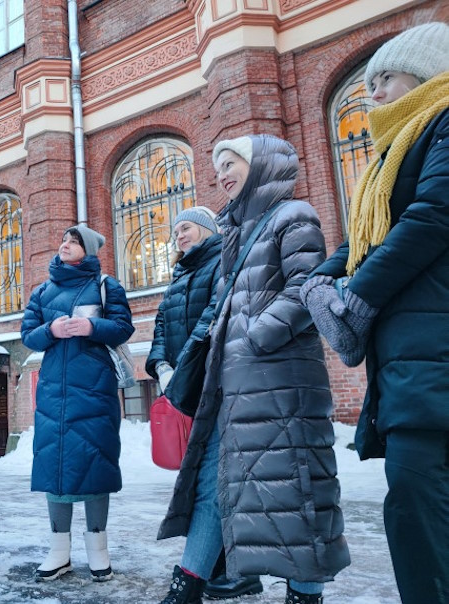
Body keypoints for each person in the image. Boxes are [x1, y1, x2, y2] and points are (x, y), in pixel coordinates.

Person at [156, 135, 350, 604]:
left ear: (262, 163)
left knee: (297, 491)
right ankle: (185, 588)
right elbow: (222, 309)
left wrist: (256, 335)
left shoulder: (293, 215)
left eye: (231, 162)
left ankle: (304, 596)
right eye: (217, 165)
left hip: (281, 383)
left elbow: (308, 284)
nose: (222, 173)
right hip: (232, 387)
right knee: (213, 486)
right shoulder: (236, 234)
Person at [300, 22, 449, 604]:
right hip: (411, 355)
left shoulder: (441, 123)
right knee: (415, 502)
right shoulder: (393, 153)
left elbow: (433, 217)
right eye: (369, 83)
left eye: (384, 77)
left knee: (416, 498)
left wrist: (357, 293)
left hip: (432, 343)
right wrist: (322, 277)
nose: (374, 92)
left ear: (426, 68)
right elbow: (370, 236)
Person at [145, 207, 264, 600]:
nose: (179, 235)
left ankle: (239, 568)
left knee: (223, 480)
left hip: (216, 383)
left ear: (208, 230)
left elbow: (215, 317)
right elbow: (161, 324)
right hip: (188, 388)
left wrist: (184, 366)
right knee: (203, 480)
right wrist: (160, 364)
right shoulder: (179, 274)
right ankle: (218, 566)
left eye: (187, 228)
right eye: (175, 230)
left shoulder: (221, 261)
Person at [21, 224, 134, 583]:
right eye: (64, 240)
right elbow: (28, 336)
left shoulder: (106, 286)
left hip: (96, 388)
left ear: (88, 250)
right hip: (55, 391)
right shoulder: (43, 291)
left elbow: (123, 327)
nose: (65, 245)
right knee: (55, 467)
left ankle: (98, 550)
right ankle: (59, 551)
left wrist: (91, 328)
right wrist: (51, 331)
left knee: (95, 464)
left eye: (74, 242)